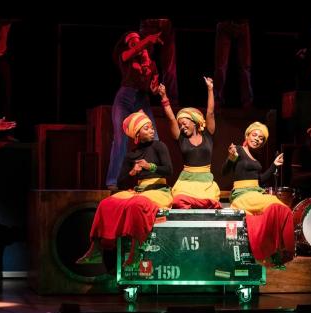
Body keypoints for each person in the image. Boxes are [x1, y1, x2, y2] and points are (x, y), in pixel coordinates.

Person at [77, 111, 173, 266]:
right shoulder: (131, 155)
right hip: (139, 191)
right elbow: (120, 182)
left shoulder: (159, 146)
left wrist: (150, 166)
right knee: (106, 204)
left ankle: (136, 253)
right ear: (137, 134)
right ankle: (96, 249)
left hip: (159, 191)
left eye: (151, 127)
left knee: (136, 205)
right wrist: (132, 172)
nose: (152, 130)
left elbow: (169, 170)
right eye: (146, 128)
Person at [222, 122, 295, 267]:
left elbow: (259, 180)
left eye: (261, 138)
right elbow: (224, 172)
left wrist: (274, 165)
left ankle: (279, 251)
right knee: (277, 206)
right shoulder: (238, 150)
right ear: (247, 135)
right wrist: (231, 158)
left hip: (255, 194)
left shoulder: (255, 157)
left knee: (281, 209)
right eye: (254, 135)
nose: (257, 139)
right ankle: (280, 251)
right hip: (243, 195)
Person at [105, 30, 163, 191]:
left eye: (137, 40)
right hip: (124, 98)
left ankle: (155, 178)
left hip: (142, 100)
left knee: (154, 138)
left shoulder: (152, 64)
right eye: (132, 41)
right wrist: (147, 39)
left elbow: (154, 87)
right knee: (120, 140)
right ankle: (113, 181)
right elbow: (131, 52)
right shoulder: (127, 58)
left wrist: (155, 88)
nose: (135, 44)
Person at [158, 76, 221, 209]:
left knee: (211, 201)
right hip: (186, 181)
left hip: (205, 181)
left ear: (194, 122)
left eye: (184, 123)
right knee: (178, 200)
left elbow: (210, 113)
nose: (182, 127)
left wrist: (210, 89)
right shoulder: (181, 138)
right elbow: (170, 118)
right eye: (180, 125)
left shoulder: (208, 134)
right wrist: (164, 96)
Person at [214, 18, 253, 109]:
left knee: (245, 68)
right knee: (221, 67)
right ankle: (217, 100)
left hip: (242, 23)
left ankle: (247, 102)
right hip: (225, 23)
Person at [140, 18, 179, 105]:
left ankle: (170, 101)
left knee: (169, 66)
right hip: (149, 25)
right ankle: (139, 98)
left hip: (165, 25)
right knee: (143, 60)